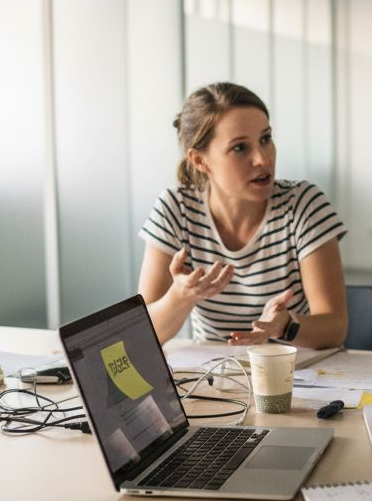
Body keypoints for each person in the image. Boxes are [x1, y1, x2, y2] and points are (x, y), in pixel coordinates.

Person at [137, 82, 347, 349]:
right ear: (200, 161)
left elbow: (335, 328)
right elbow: (142, 334)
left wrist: (285, 325)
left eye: (266, 139)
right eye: (240, 148)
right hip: (214, 377)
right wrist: (180, 296)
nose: (262, 158)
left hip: (294, 374)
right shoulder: (175, 210)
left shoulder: (303, 204)